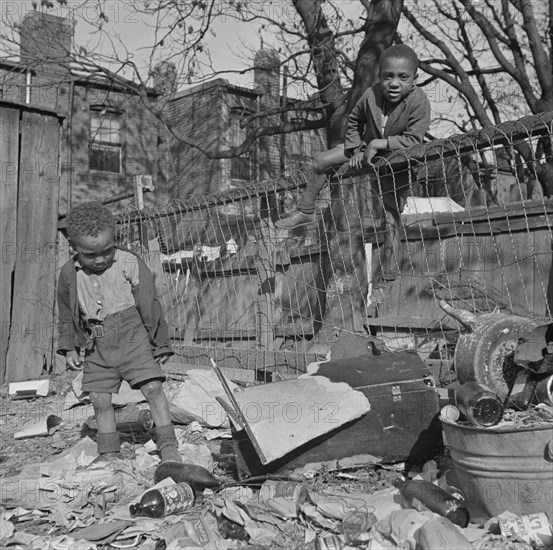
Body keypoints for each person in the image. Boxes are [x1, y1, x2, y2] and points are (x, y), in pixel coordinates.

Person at [276, 44, 431, 301]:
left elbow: (414, 140)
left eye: (403, 77)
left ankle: (386, 279)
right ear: (380, 76)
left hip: (397, 161)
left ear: (414, 79)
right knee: (320, 161)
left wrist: (380, 143)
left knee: (390, 220)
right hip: (363, 147)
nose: (394, 83)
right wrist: (357, 146)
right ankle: (305, 211)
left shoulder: (419, 102)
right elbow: (354, 121)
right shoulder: (370, 95)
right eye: (387, 76)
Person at [57, 202, 182, 463]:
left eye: (106, 250)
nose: (100, 259)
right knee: (100, 400)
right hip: (97, 346)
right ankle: (109, 453)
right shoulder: (69, 273)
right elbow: (67, 312)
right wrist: (70, 347)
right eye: (90, 254)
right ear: (73, 246)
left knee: (154, 388)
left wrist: (159, 343)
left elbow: (150, 304)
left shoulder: (129, 262)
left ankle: (169, 445)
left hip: (132, 337)